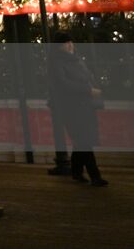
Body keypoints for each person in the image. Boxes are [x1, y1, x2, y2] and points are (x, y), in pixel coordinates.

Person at [48, 32, 107, 186]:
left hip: (83, 105)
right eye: (65, 43)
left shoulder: (74, 60)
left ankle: (77, 172)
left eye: (70, 42)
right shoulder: (58, 63)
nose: (70, 45)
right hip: (72, 106)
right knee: (84, 140)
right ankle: (95, 176)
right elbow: (63, 84)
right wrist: (88, 90)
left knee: (81, 140)